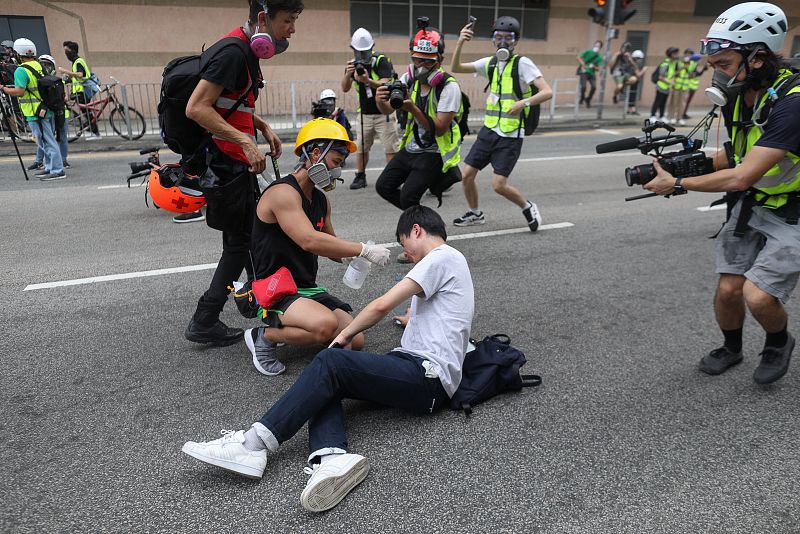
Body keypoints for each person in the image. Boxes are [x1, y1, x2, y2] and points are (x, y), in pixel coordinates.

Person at [182, 205, 474, 512]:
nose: (407, 254)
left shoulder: (442, 256)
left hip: (427, 377)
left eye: (405, 246)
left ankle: (253, 445)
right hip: (418, 371)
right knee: (324, 382)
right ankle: (331, 458)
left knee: (330, 360)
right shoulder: (450, 264)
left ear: (417, 230)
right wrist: (412, 319)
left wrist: (346, 334)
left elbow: (380, 306)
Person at [643, 2, 798, 385]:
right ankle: (732, 347)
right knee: (729, 289)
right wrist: (681, 166)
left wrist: (677, 184)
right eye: (714, 66)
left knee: (758, 295)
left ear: (758, 57)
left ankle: (778, 342)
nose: (718, 75)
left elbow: (741, 175)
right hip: (754, 203)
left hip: (793, 209)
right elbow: (737, 152)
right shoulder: (738, 93)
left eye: (724, 65)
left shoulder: (793, 103)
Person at [183, 0, 299, 347]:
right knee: (243, 242)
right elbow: (196, 107)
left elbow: (231, 103)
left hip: (235, 159)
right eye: (288, 21)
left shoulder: (246, 51)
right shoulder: (233, 52)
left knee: (245, 240)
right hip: (228, 162)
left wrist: (260, 126)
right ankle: (208, 318)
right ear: (264, 18)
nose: (292, 29)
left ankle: (262, 303)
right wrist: (244, 142)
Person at [243, 118, 390, 376]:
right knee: (325, 326)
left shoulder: (321, 201)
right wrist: (361, 249)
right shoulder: (282, 194)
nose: (338, 170)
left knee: (354, 340)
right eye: (335, 162)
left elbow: (328, 244)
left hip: (305, 287)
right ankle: (263, 336)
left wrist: (352, 258)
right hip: (275, 286)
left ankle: (306, 328)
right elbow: (308, 240)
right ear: (314, 153)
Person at [450, 16, 553, 231]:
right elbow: (456, 67)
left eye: (508, 37)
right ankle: (476, 213)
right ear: (493, 39)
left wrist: (522, 103)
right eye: (498, 37)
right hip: (489, 131)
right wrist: (460, 41)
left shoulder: (522, 64)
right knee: (466, 175)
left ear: (515, 41)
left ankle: (527, 206)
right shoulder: (491, 63)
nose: (503, 42)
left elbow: (547, 91)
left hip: (511, 134)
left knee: (498, 185)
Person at [374, 18, 463, 227]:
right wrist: (380, 101)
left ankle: (420, 233)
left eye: (428, 61)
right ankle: (427, 222)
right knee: (384, 186)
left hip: (434, 151)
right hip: (412, 146)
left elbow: (440, 129)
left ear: (440, 60)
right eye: (417, 60)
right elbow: (389, 109)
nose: (421, 66)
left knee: (408, 197)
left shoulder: (449, 87)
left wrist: (413, 108)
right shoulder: (408, 78)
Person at [341, 27, 398, 190]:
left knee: (390, 148)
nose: (362, 56)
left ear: (371, 48)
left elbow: (386, 82)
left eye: (365, 52)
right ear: (353, 50)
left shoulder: (381, 60)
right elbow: (345, 88)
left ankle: (392, 178)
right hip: (364, 114)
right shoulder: (353, 65)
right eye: (359, 52)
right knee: (361, 147)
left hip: (384, 113)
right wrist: (347, 74)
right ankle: (360, 176)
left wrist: (367, 81)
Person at [1, 38, 65, 181]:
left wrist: (4, 89)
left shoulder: (21, 70)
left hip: (35, 112)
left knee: (47, 141)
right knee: (45, 141)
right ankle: (49, 167)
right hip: (46, 108)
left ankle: (57, 170)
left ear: (18, 54)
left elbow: (19, 91)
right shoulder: (40, 65)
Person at [31, 54, 69, 169]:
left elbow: (65, 97)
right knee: (46, 138)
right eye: (44, 65)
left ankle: (63, 160)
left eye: (48, 65)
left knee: (61, 137)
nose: (46, 68)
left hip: (61, 112)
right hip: (48, 112)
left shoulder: (56, 81)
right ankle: (39, 161)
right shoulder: (41, 81)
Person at [58, 40, 100, 140]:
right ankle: (92, 130)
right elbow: (76, 77)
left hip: (82, 92)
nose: (66, 54)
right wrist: (68, 79)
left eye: (67, 51)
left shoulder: (78, 61)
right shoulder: (75, 62)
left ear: (73, 51)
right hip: (80, 91)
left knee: (86, 112)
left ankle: (96, 133)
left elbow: (80, 75)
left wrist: (66, 71)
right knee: (86, 112)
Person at [650, 47, 679, 122]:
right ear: (670, 54)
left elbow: (670, 75)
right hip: (661, 86)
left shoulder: (673, 64)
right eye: (674, 53)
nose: (676, 55)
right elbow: (660, 77)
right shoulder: (665, 64)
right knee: (658, 101)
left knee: (663, 102)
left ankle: (662, 116)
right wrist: (671, 83)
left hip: (667, 87)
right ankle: (652, 116)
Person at [668, 48, 694, 125]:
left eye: (690, 54)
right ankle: (672, 117)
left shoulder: (692, 63)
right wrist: (683, 68)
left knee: (682, 104)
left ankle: (679, 118)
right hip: (676, 86)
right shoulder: (678, 62)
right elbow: (674, 74)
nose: (688, 55)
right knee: (674, 102)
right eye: (687, 54)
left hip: (685, 87)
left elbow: (692, 75)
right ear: (684, 54)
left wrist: (689, 71)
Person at [577, 40, 603, 108]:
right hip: (584, 71)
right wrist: (583, 64)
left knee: (594, 87)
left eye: (598, 46)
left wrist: (594, 67)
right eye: (596, 45)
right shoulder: (588, 51)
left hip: (591, 73)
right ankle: (582, 97)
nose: (597, 46)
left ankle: (588, 99)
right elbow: (578, 57)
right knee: (583, 87)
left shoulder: (600, 57)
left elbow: (598, 68)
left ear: (600, 48)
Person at [682, 52, 707, 120]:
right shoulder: (693, 64)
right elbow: (693, 74)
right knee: (687, 101)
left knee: (687, 101)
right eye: (699, 59)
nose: (700, 60)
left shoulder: (694, 64)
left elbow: (696, 74)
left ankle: (683, 113)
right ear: (697, 59)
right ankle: (682, 113)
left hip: (692, 85)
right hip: (690, 85)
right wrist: (703, 70)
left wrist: (703, 69)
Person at [625, 50, 647, 115]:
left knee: (632, 95)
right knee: (631, 95)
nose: (640, 60)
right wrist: (643, 70)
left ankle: (630, 109)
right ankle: (631, 109)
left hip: (634, 82)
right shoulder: (633, 65)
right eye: (639, 59)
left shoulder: (634, 64)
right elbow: (638, 74)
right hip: (631, 81)